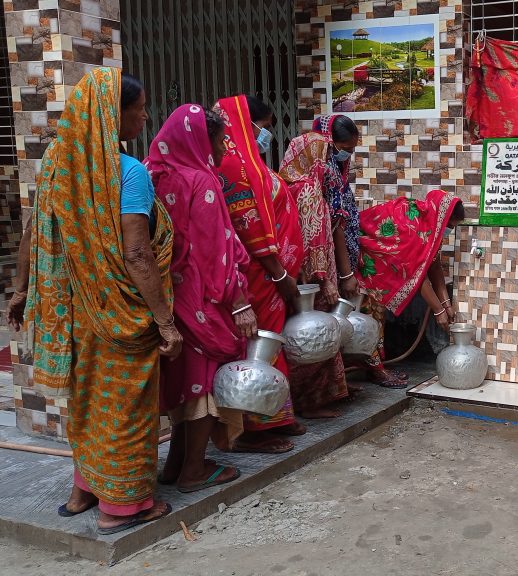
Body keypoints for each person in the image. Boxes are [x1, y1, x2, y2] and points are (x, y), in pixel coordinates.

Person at [13, 69, 179, 533]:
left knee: (89, 404)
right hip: (119, 310)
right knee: (126, 406)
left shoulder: (57, 163)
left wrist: (22, 288)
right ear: (113, 114)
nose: (146, 116)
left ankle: (83, 489)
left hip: (74, 311)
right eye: (139, 108)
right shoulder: (129, 173)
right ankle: (122, 506)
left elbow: (35, 230)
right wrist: (164, 321)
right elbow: (136, 252)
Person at [145, 104, 256, 492]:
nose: (224, 147)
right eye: (218, 138)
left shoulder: (150, 174)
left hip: (166, 298)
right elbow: (215, 251)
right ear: (198, 139)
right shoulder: (201, 182)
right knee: (204, 383)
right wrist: (239, 302)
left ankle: (175, 464)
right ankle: (194, 470)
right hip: (201, 298)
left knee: (182, 383)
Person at [216, 94, 305, 453]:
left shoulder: (249, 163)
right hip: (254, 273)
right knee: (256, 345)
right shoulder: (231, 167)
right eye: (264, 128)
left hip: (268, 273)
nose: (266, 135)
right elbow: (247, 223)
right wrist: (278, 272)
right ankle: (252, 427)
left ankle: (274, 415)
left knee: (268, 343)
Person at [313, 114, 408, 389]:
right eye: (345, 149)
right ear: (329, 143)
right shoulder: (324, 174)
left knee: (361, 313)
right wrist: (345, 275)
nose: (348, 155)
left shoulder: (337, 172)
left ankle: (360, 371)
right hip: (334, 265)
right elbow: (336, 226)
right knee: (354, 315)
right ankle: (371, 369)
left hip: (348, 257)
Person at [278, 129, 352, 418]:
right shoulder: (308, 189)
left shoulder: (287, 185)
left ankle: (311, 399)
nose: (328, 159)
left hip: (298, 276)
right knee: (316, 339)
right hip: (314, 277)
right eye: (325, 153)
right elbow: (313, 237)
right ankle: (310, 401)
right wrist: (325, 279)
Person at [356, 189, 465, 326]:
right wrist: (438, 310)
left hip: (377, 276)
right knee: (363, 327)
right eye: (449, 226)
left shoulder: (430, 228)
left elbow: (434, 266)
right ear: (442, 217)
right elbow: (412, 272)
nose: (449, 230)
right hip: (359, 268)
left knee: (375, 328)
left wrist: (447, 306)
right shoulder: (411, 225)